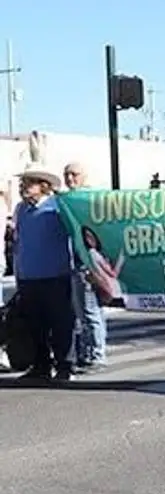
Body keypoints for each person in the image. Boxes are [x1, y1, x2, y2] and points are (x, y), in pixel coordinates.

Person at [12, 167, 77, 383]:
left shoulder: (58, 207)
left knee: (60, 323)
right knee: (35, 325)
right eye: (23, 184)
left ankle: (65, 366)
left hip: (55, 275)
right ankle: (40, 365)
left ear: (43, 186)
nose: (24, 188)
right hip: (28, 277)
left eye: (29, 183)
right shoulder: (21, 209)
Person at [63, 163, 108, 370]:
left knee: (91, 312)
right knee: (83, 314)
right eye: (67, 174)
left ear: (84, 176)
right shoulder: (66, 201)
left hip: (88, 267)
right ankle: (89, 352)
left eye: (74, 174)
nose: (70, 178)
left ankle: (97, 355)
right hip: (75, 266)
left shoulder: (89, 200)